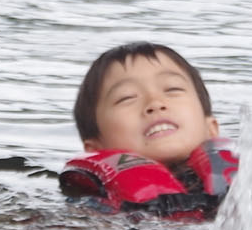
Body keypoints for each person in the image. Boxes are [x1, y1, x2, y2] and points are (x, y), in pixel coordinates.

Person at [60, 43, 237, 219]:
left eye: (172, 89)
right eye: (126, 97)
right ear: (95, 148)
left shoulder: (249, 187)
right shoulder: (92, 211)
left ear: (211, 129)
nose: (155, 103)